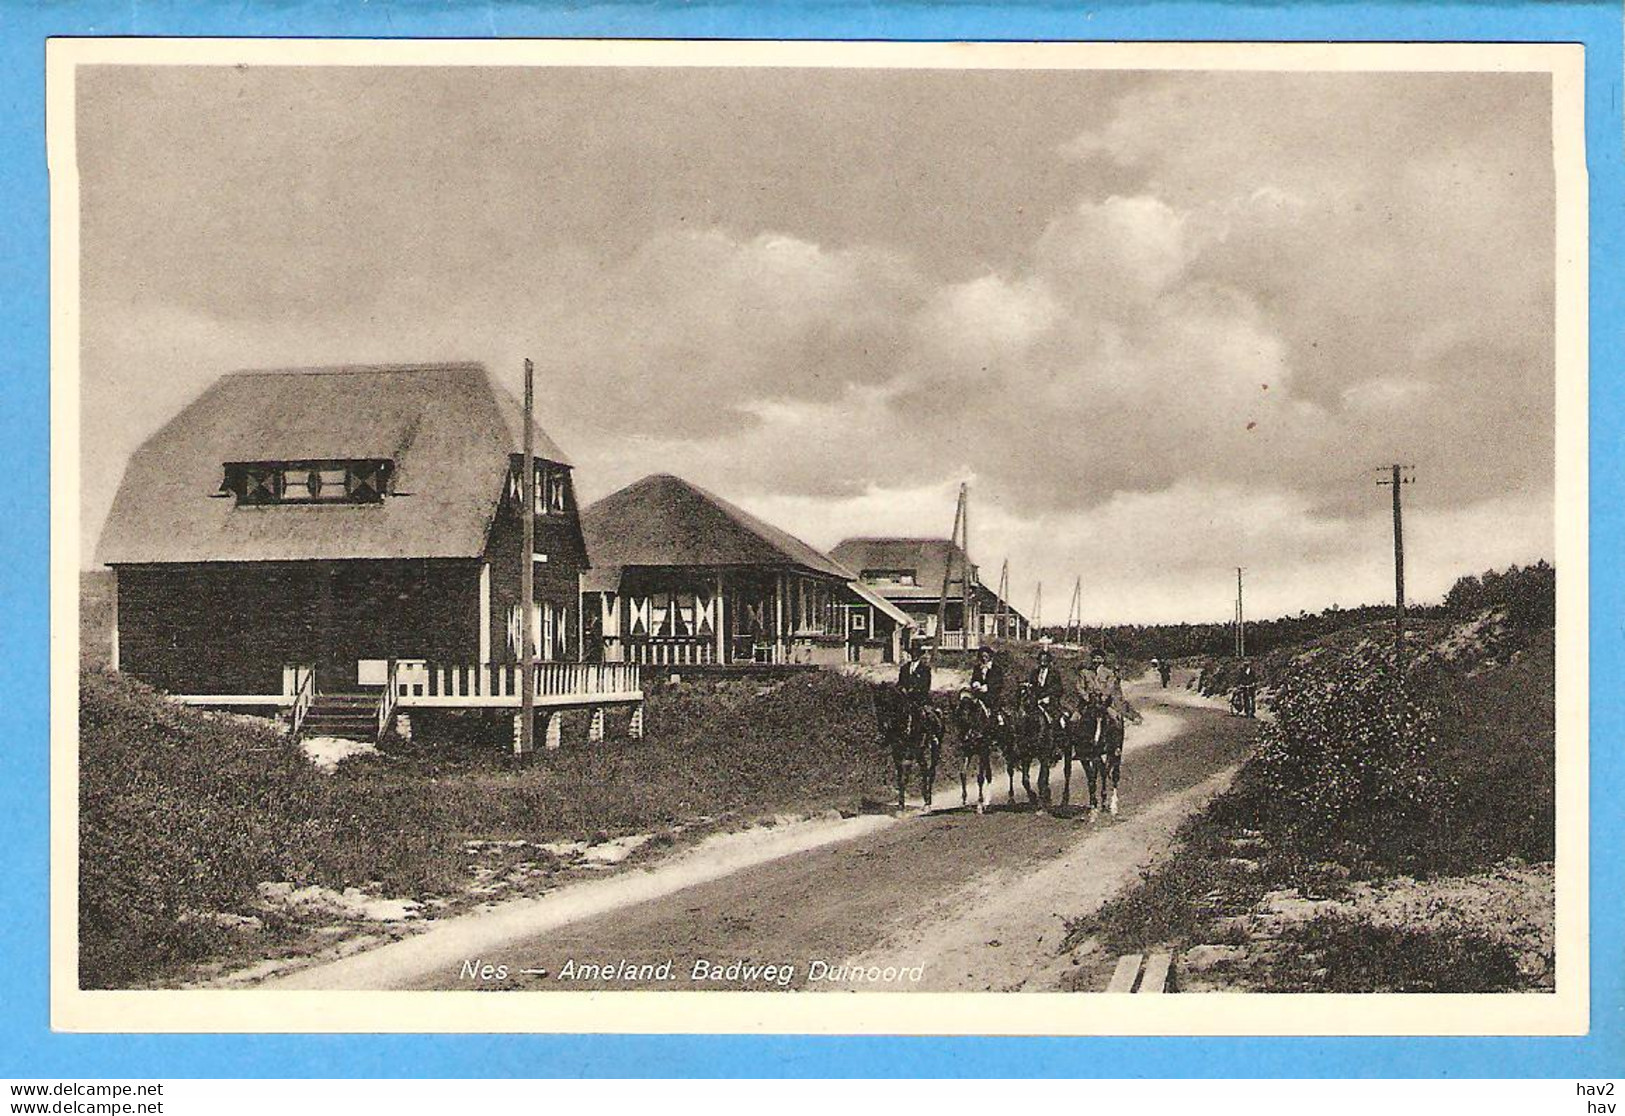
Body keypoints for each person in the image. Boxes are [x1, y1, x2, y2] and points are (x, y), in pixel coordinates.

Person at [897, 640, 934, 738]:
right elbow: (899, 683)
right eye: (912, 653)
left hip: (919, 699)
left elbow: (926, 686)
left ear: (919, 654)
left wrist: (914, 690)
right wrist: (902, 688)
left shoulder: (925, 669)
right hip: (905, 699)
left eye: (916, 652)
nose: (914, 655)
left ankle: (930, 737)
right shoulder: (904, 668)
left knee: (926, 716)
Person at [967, 645, 1004, 718]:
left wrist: (988, 687)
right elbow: (974, 679)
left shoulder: (996, 669)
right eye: (982, 657)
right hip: (978, 694)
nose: (984, 659)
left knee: (993, 709)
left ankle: (998, 719)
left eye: (986, 656)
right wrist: (975, 683)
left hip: (992, 695)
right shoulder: (977, 668)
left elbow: (999, 683)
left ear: (990, 657)